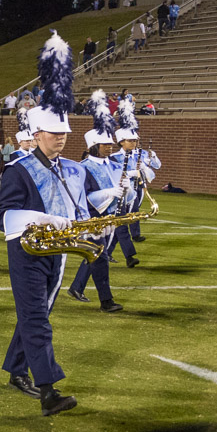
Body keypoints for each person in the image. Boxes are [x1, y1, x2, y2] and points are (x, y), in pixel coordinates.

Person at [0, 31, 85, 416]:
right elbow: (4, 217)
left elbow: (76, 209)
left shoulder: (73, 169)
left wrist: (91, 224)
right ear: (37, 133)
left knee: (39, 314)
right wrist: (46, 219)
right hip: (27, 251)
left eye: (65, 132)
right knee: (36, 317)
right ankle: (49, 390)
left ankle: (16, 369)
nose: (61, 139)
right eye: (53, 133)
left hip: (59, 253)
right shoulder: (19, 169)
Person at [67, 93, 126, 312]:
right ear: (93, 145)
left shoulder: (113, 164)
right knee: (99, 258)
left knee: (98, 256)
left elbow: (122, 194)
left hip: (109, 217)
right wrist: (111, 192)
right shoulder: (82, 167)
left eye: (110, 144)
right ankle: (106, 301)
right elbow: (85, 197)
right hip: (91, 218)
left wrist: (125, 190)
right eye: (105, 145)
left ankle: (77, 287)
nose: (110, 147)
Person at [111, 101, 159, 245]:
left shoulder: (142, 153)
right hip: (125, 187)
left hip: (139, 186)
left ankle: (135, 234)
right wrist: (133, 172)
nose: (135, 142)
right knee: (122, 211)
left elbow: (157, 166)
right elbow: (117, 173)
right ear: (121, 142)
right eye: (130, 140)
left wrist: (152, 156)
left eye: (135, 140)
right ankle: (117, 238)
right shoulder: (115, 157)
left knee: (135, 208)